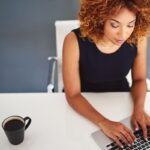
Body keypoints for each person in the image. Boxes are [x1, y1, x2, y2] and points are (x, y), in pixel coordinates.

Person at [62, 0, 150, 148]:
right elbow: (73, 94)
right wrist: (104, 123)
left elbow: (140, 79)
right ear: (99, 18)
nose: (123, 34)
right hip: (82, 105)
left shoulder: (138, 38)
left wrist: (139, 110)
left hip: (120, 100)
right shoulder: (73, 41)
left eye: (130, 24)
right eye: (115, 25)